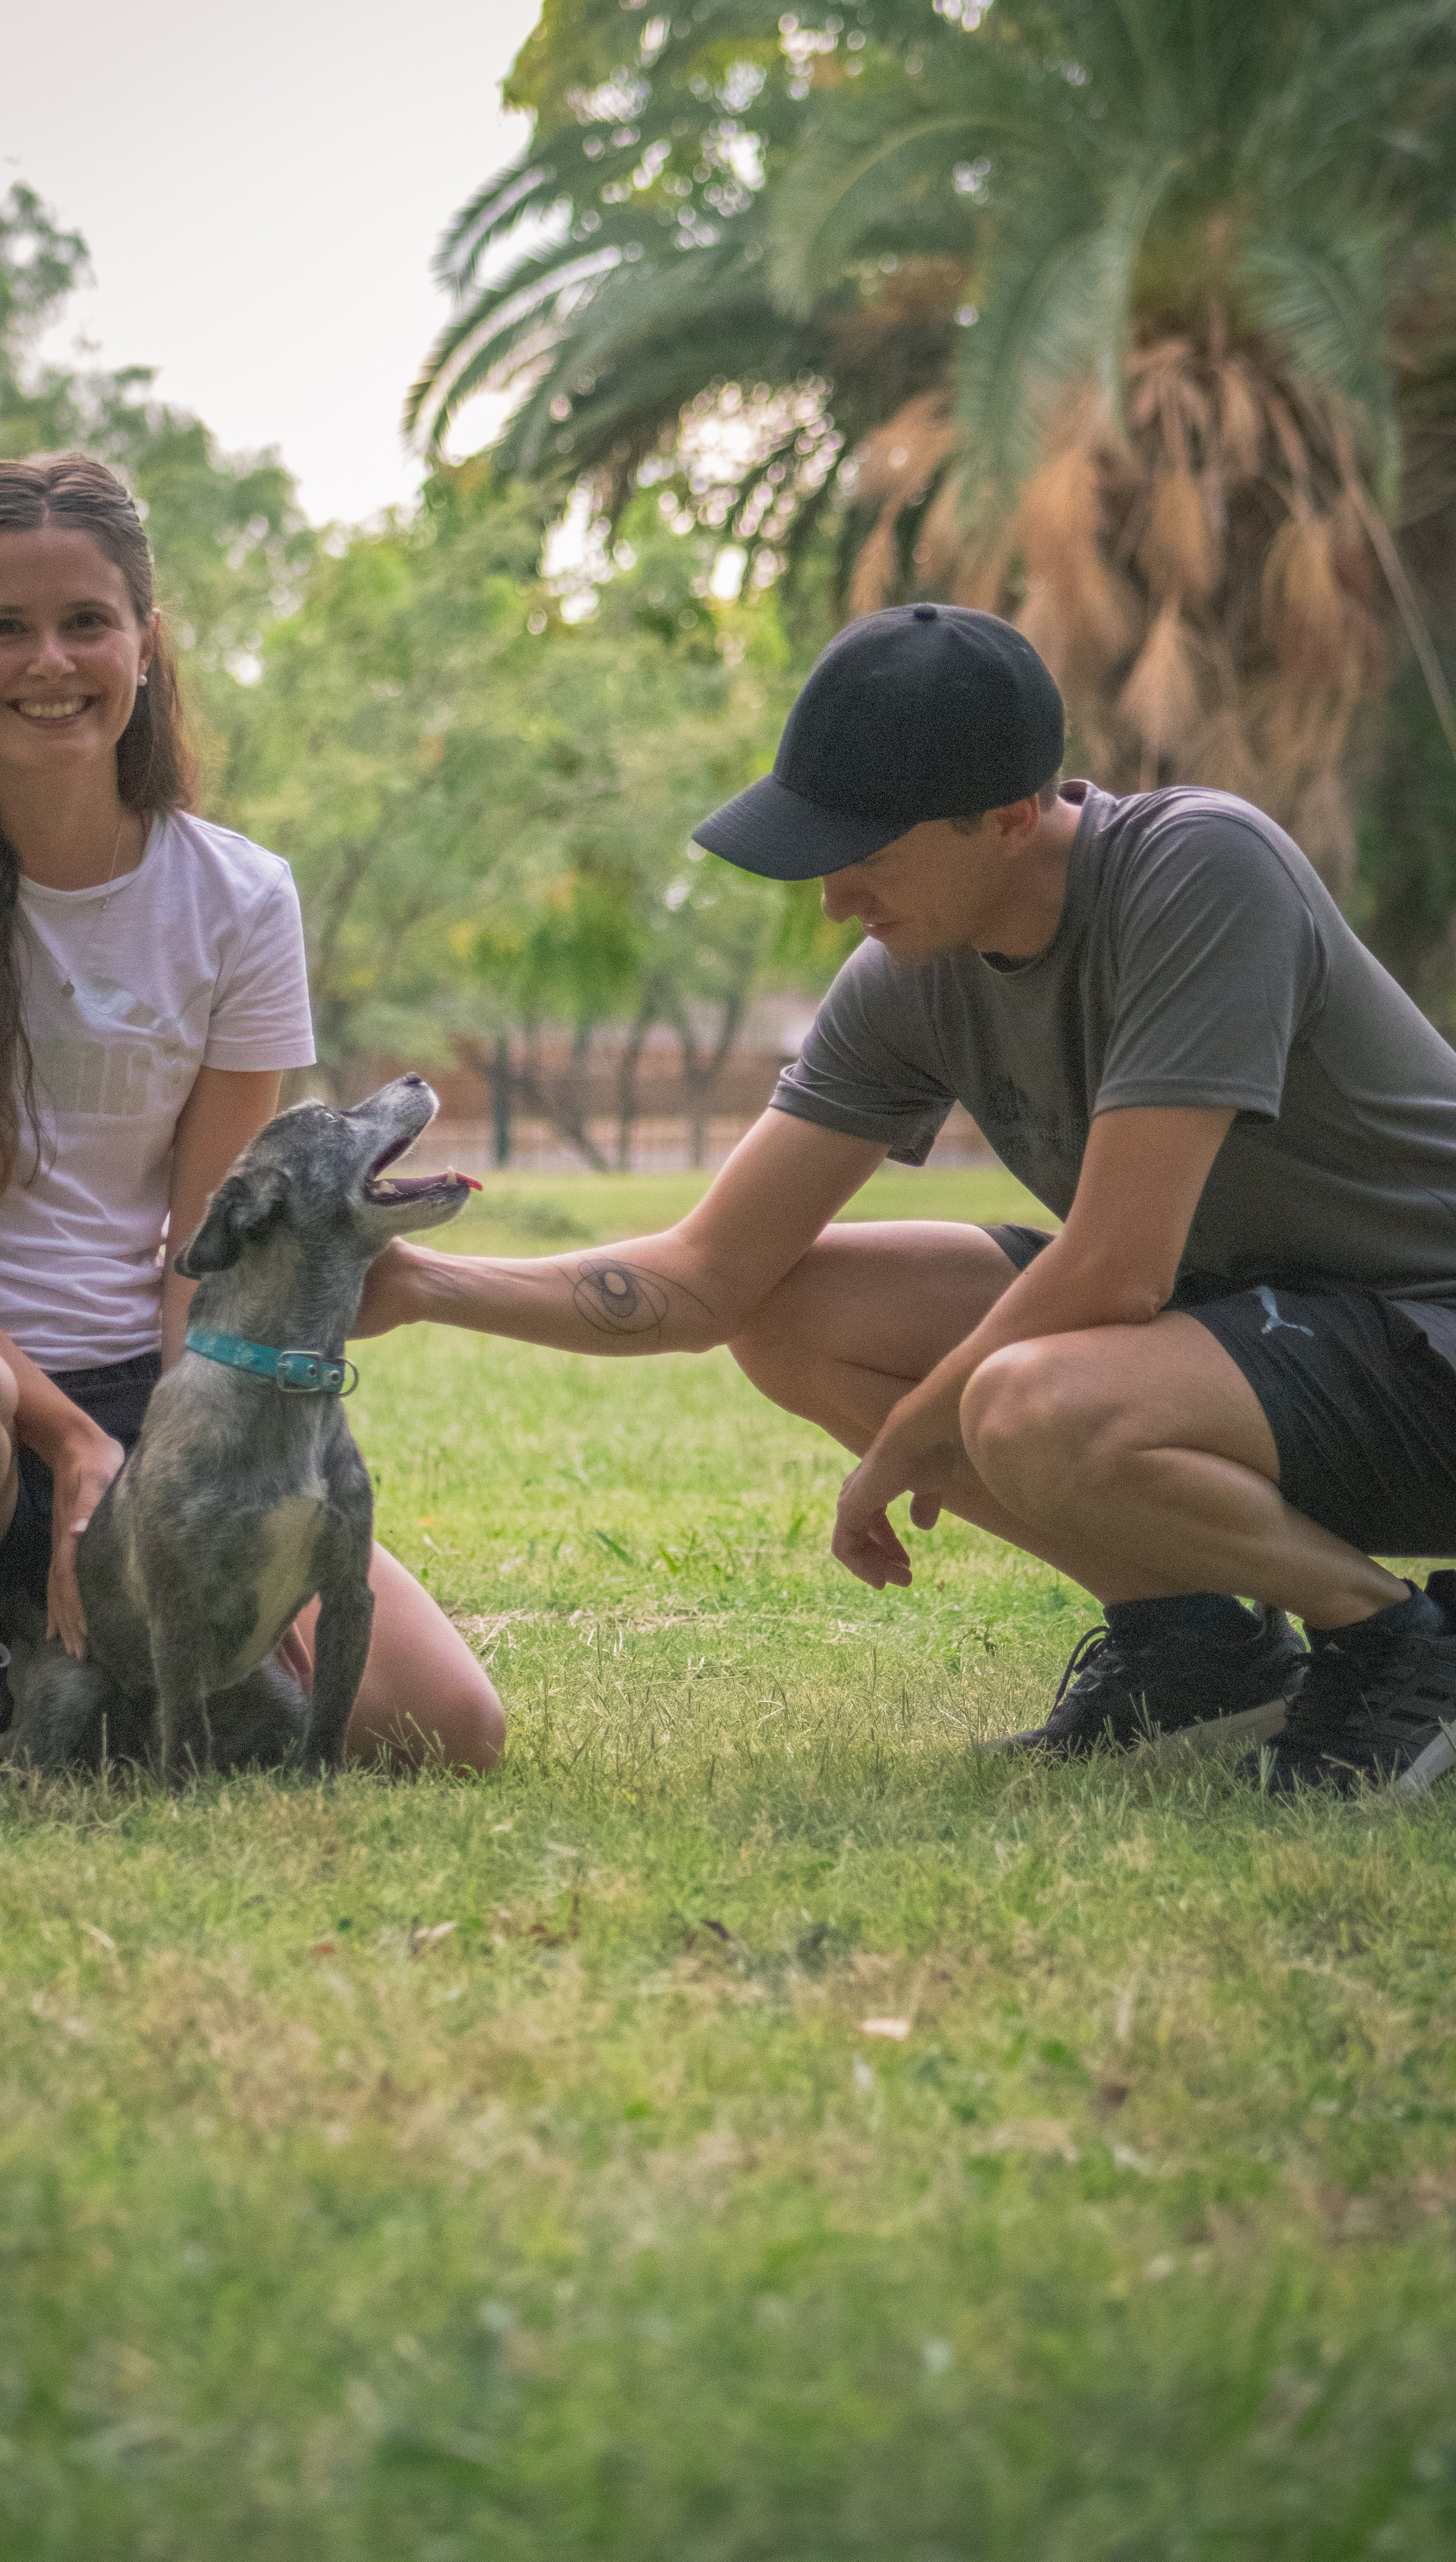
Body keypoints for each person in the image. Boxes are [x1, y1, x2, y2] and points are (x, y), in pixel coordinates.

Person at [356, 600, 1456, 1797]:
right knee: (792, 1314)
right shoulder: (908, 978)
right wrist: (419, 1285)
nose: (834, 895)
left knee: (1033, 1404)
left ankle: (1400, 1649)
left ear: (1008, 819)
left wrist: (909, 1438)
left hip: (1425, 1344)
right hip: (1263, 1346)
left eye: (866, 850)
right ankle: (1194, 1647)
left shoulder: (1201, 868)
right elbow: (709, 1277)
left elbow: (1117, 1271)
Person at [0, 453, 503, 1780]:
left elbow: (197, 1257)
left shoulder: (238, 899)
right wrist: (75, 1443)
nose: (51, 661)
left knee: (441, 1728)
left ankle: (57, 1658)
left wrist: (162, 1476)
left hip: (143, 1411)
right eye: (5, 628)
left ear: (146, 643)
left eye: (87, 621)